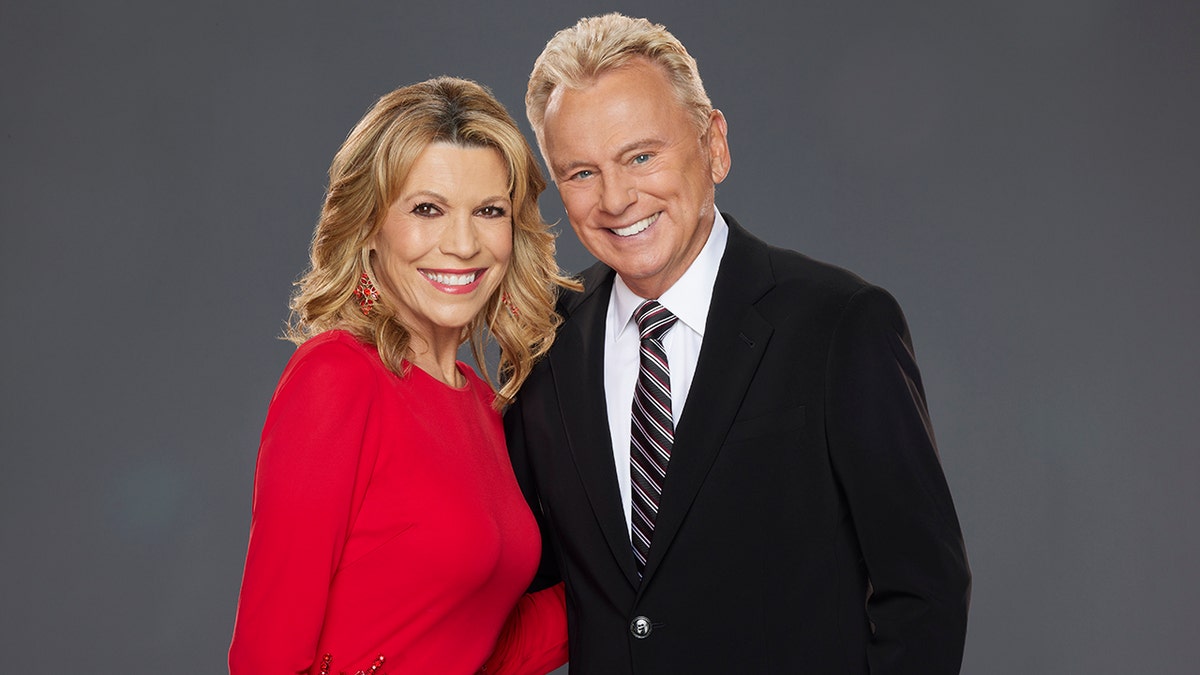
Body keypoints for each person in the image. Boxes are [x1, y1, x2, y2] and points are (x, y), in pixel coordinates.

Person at [504, 13, 972, 674]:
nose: (616, 197)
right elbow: (520, 573)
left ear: (714, 144)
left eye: (641, 155)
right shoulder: (542, 336)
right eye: (581, 172)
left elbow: (925, 591)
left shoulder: (837, 324)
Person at [228, 77, 573, 675]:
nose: (463, 244)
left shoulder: (485, 408)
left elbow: (487, 649)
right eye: (427, 209)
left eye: (489, 211)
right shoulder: (336, 377)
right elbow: (266, 659)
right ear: (368, 229)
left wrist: (653, 556)